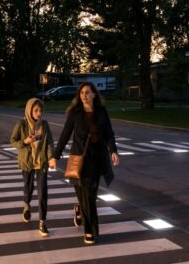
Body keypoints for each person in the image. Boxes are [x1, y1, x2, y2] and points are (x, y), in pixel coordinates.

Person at [52, 82, 119, 244]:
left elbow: (109, 134)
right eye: (82, 93)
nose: (84, 95)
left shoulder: (102, 112)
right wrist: (55, 156)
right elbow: (64, 136)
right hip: (81, 160)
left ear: (94, 95)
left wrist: (113, 151)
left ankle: (79, 210)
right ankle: (89, 230)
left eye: (87, 92)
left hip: (98, 158)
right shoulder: (75, 114)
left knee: (91, 196)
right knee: (87, 196)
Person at [10, 98, 56, 236]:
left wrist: (51, 158)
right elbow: (13, 141)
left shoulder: (45, 125)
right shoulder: (22, 124)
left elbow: (49, 143)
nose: (39, 113)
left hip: (41, 163)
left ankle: (42, 222)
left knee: (43, 193)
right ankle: (27, 204)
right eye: (36, 110)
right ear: (30, 110)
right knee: (28, 187)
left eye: (41, 110)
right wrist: (25, 141)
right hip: (27, 162)